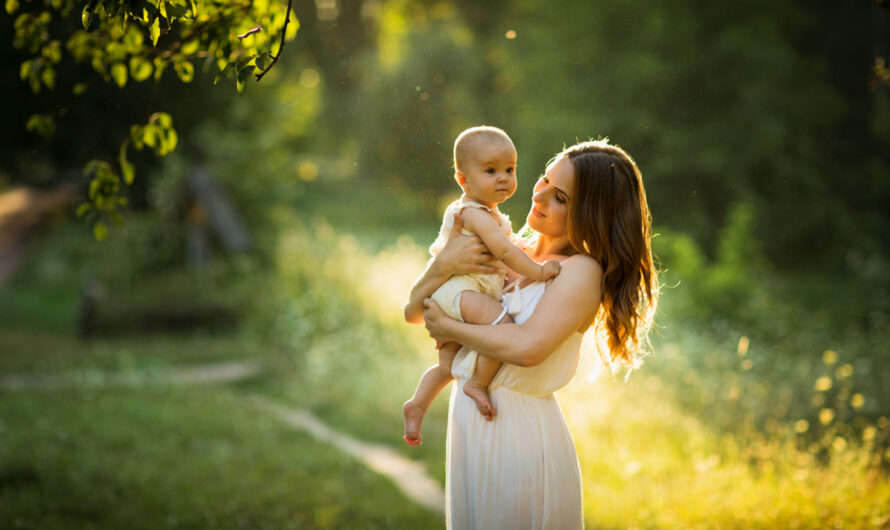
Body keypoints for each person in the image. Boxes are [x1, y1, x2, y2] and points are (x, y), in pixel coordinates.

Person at [404, 139, 658, 529]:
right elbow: (414, 314)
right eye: (544, 179)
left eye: (560, 197)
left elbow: (528, 348)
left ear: (589, 214)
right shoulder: (507, 249)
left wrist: (451, 328)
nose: (538, 195)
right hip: (469, 422)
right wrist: (441, 268)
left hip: (518, 433)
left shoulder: (580, 270)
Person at [403, 126, 561, 447]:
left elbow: (508, 245)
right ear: (464, 180)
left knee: (447, 366)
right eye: (491, 171)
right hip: (462, 291)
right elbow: (505, 251)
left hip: (457, 293)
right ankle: (477, 382)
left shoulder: (491, 215)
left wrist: (519, 247)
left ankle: (417, 404)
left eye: (510, 170)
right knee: (502, 326)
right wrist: (539, 271)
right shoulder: (473, 214)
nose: (503, 178)